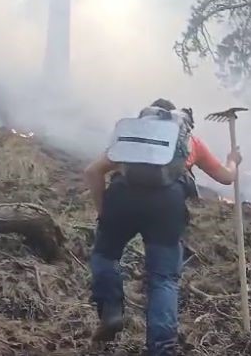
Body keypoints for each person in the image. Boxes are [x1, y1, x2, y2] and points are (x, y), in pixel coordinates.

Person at [83, 98, 241, 356]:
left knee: (105, 256)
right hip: (166, 207)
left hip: (122, 199)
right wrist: (233, 160)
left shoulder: (132, 138)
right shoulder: (189, 141)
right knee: (163, 279)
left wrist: (104, 214)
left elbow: (92, 171)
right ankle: (162, 348)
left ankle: (111, 310)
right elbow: (226, 177)